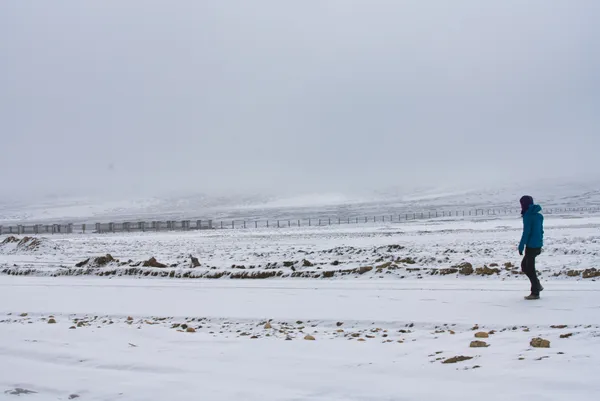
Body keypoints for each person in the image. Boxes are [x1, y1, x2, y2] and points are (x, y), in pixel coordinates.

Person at [518, 196, 544, 300]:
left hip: (531, 246)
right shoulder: (539, 216)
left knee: (529, 269)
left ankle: (535, 292)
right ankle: (537, 285)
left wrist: (521, 245)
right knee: (525, 266)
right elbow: (541, 231)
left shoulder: (528, 216)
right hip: (537, 244)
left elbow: (526, 232)